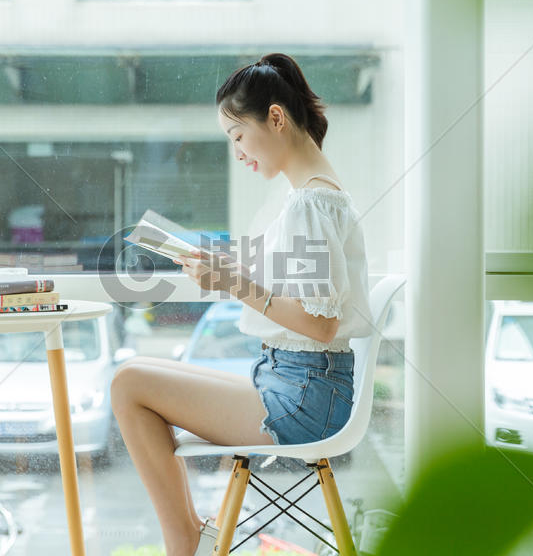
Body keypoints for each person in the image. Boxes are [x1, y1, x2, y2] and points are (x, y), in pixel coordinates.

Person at [110, 53, 372, 556]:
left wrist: (229, 281)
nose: (238, 152)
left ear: (275, 118)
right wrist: (225, 267)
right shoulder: (311, 196)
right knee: (136, 371)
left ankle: (184, 541)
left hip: (304, 396)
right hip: (296, 382)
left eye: (236, 136)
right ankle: (190, 535)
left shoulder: (311, 203)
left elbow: (320, 325)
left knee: (128, 384)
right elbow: (298, 293)